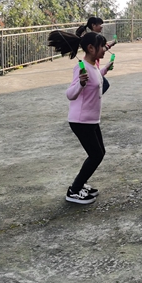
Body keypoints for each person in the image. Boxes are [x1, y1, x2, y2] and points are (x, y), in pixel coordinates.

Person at [47, 30, 113, 204]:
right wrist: (81, 84)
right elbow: (70, 94)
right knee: (96, 155)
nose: (105, 49)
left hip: (91, 120)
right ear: (91, 48)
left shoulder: (93, 66)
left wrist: (105, 70)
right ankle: (74, 191)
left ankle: (80, 185)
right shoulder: (81, 67)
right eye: (102, 46)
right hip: (81, 120)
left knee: (100, 153)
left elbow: (95, 80)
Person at [76, 17, 115, 93]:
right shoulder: (92, 38)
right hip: (92, 65)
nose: (101, 26)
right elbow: (70, 94)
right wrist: (111, 44)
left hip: (94, 65)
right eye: (99, 24)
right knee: (103, 85)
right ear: (93, 25)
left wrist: (106, 68)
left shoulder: (93, 37)